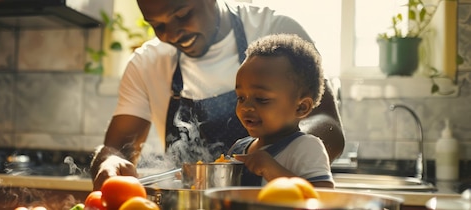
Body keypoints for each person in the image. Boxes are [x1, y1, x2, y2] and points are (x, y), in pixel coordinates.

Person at [90, 0, 345, 190]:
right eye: (157, 26)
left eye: (183, 14)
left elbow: (328, 124)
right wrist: (108, 162)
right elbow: (117, 148)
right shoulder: (147, 63)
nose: (171, 34)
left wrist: (281, 156)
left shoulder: (277, 32)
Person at [229, 34, 334, 188]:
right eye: (241, 98)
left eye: (261, 99)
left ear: (301, 107)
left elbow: (324, 198)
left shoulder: (305, 147)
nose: (246, 107)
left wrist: (272, 171)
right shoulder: (238, 148)